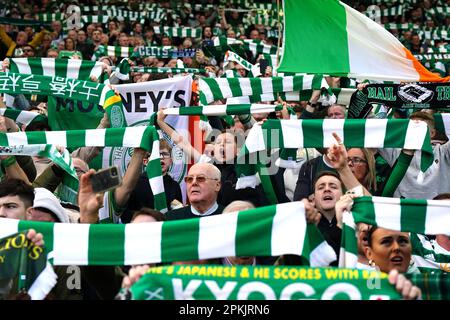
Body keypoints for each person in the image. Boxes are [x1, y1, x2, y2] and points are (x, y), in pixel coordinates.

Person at [120, 139, 183, 223]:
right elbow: (124, 214)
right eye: (156, 155)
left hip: (165, 231)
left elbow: (178, 213)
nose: (161, 157)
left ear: (170, 161)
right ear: (145, 161)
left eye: (164, 154)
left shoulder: (174, 186)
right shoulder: (134, 184)